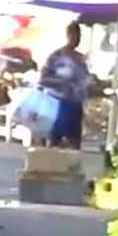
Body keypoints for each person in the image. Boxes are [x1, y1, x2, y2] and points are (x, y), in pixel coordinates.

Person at [41, 21, 90, 150]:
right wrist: (64, 84)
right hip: (57, 103)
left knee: (74, 142)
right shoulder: (56, 56)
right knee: (54, 141)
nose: (77, 39)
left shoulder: (80, 59)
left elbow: (85, 80)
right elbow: (43, 79)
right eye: (74, 35)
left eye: (79, 36)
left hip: (75, 104)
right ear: (68, 35)